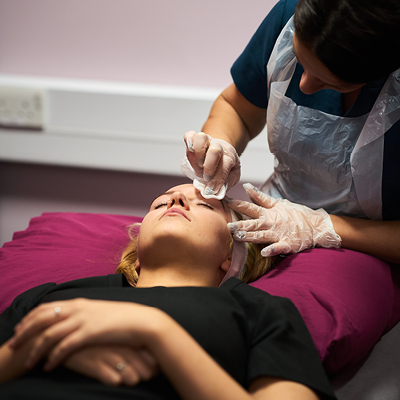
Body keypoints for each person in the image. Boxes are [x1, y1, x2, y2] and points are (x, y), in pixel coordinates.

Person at [0, 184, 336, 400]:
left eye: (205, 205)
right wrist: (37, 349)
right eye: (160, 201)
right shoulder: (49, 297)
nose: (174, 198)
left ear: (231, 256)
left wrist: (158, 333)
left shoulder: (259, 310)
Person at [181, 0, 400, 264]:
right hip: (273, 231)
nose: (304, 86)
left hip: (371, 257)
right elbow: (237, 109)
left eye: (332, 84)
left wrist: (320, 227)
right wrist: (221, 143)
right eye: (299, 59)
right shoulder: (291, 15)